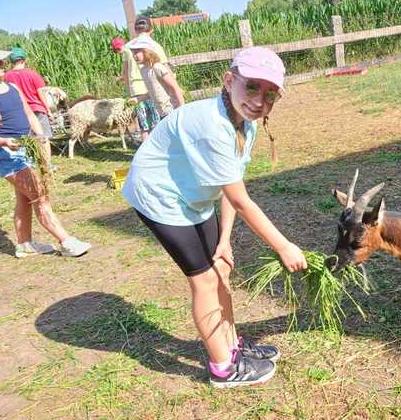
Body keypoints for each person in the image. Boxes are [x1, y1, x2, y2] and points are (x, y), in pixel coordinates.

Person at [122, 46, 307, 388]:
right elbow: (241, 201)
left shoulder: (244, 124)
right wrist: (284, 246)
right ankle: (223, 367)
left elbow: (229, 189)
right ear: (229, 80)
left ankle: (231, 345)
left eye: (270, 95)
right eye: (251, 86)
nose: (259, 100)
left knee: (221, 268)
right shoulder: (210, 124)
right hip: (160, 196)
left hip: (193, 196)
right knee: (204, 280)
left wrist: (223, 241)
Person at [0, 46, 91, 258]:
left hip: (25, 147)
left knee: (24, 197)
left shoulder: (12, 87)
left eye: (1, 61)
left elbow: (29, 113)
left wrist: (40, 136)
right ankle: (66, 241)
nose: (2, 64)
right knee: (40, 196)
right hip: (7, 154)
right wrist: (3, 141)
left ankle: (24, 244)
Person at [4, 46, 54, 169]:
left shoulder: (6, 76)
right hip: (37, 110)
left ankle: (29, 164)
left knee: (25, 139)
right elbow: (41, 93)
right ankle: (47, 164)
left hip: (19, 112)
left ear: (11, 61)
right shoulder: (32, 74)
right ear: (23, 60)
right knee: (43, 137)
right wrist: (48, 109)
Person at [110, 36, 160, 141]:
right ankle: (158, 138)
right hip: (146, 83)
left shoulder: (125, 53)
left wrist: (120, 80)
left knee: (142, 117)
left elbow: (125, 74)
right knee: (153, 112)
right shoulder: (137, 49)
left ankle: (146, 142)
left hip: (136, 86)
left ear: (117, 48)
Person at [128, 39, 185, 118]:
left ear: (146, 51)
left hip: (172, 109)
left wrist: (182, 108)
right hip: (162, 112)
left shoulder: (157, 67)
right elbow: (153, 92)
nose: (134, 56)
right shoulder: (144, 70)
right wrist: (138, 99)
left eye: (136, 52)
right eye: (133, 53)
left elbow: (174, 87)